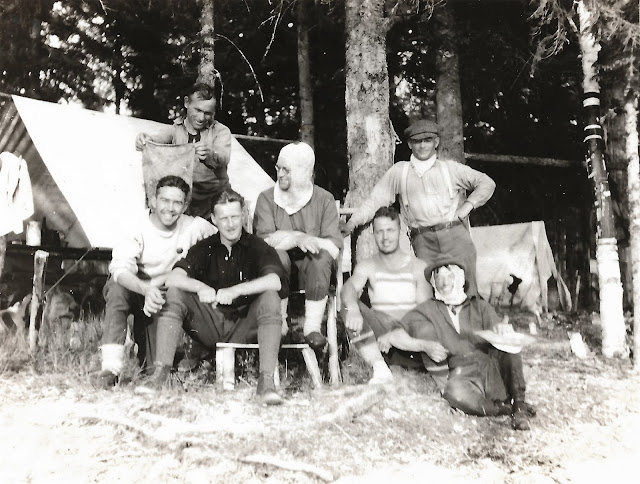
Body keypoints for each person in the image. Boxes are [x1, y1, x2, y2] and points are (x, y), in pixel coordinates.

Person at [149, 189, 287, 405]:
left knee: (270, 297)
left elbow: (274, 281)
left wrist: (236, 290)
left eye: (234, 217)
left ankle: (266, 382)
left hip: (244, 325)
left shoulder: (258, 247)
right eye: (223, 218)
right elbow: (173, 278)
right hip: (210, 324)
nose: (230, 224)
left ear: (243, 215)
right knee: (175, 294)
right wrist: (200, 287)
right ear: (214, 219)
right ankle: (160, 374)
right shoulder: (206, 247)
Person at [342, 119, 495, 296]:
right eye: (417, 141)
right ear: (409, 144)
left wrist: (468, 206)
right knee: (427, 293)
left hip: (454, 235)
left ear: (436, 142)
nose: (422, 146)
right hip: (423, 240)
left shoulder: (450, 169)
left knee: (468, 290)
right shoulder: (400, 171)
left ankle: (472, 322)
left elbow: (487, 183)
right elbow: (374, 201)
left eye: (427, 140)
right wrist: (351, 223)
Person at [98, 175, 216, 388]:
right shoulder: (135, 225)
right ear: (153, 201)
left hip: (162, 298)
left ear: (185, 205)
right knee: (117, 289)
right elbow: (120, 270)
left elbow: (222, 244)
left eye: (177, 202)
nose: (170, 208)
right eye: (164, 200)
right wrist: (145, 290)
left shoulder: (195, 227)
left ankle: (188, 353)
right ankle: (111, 368)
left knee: (153, 370)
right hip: (137, 289)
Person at [398, 262, 537, 430]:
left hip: (489, 368)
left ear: (461, 279)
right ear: (434, 282)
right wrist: (423, 345)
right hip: (462, 373)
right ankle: (505, 409)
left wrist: (502, 329)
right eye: (438, 277)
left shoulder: (480, 307)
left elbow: (498, 329)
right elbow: (394, 334)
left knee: (511, 346)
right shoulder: (428, 309)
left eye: (449, 275)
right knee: (454, 393)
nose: (444, 282)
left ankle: (519, 404)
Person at [253, 142, 342, 351]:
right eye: (278, 168)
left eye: (287, 170)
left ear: (305, 172)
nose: (280, 174)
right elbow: (264, 242)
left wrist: (291, 236)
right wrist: (297, 238)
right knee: (276, 255)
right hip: (279, 272)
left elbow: (333, 246)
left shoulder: (324, 199)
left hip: (313, 273)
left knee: (320, 257)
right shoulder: (267, 198)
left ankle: (312, 328)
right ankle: (280, 323)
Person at [341, 206, 441, 384]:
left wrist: (396, 334)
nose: (385, 237)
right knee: (346, 304)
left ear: (399, 231)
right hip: (382, 343)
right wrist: (354, 308)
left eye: (390, 230)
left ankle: (424, 366)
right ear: (373, 234)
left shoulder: (418, 266)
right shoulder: (367, 266)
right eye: (379, 232)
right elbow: (349, 288)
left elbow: (423, 312)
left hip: (411, 339)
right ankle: (380, 368)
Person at [135, 83, 232, 219]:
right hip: (183, 200)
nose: (201, 118)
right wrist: (145, 140)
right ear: (187, 103)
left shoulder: (221, 131)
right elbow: (157, 140)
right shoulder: (174, 130)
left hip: (214, 200)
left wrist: (209, 154)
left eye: (207, 113)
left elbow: (223, 157)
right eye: (197, 110)